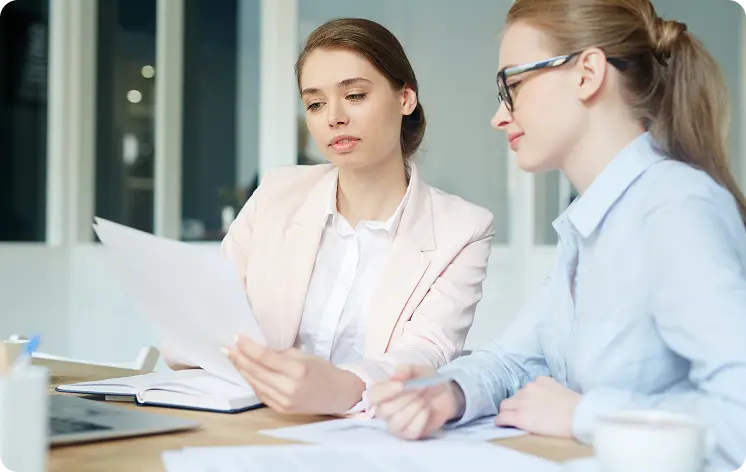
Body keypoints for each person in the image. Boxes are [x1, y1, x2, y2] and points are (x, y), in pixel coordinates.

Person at [369, 0, 746, 468]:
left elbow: (739, 415)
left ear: (587, 73)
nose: (499, 116)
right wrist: (447, 391)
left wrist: (585, 414)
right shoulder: (589, 224)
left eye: (514, 84)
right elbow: (515, 359)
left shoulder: (675, 209)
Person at [164, 18, 495, 417]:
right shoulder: (276, 194)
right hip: (257, 421)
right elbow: (195, 327)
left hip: (370, 434)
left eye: (354, 95)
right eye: (315, 103)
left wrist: (342, 387)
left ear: (406, 99)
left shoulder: (463, 229)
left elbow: (427, 351)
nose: (333, 117)